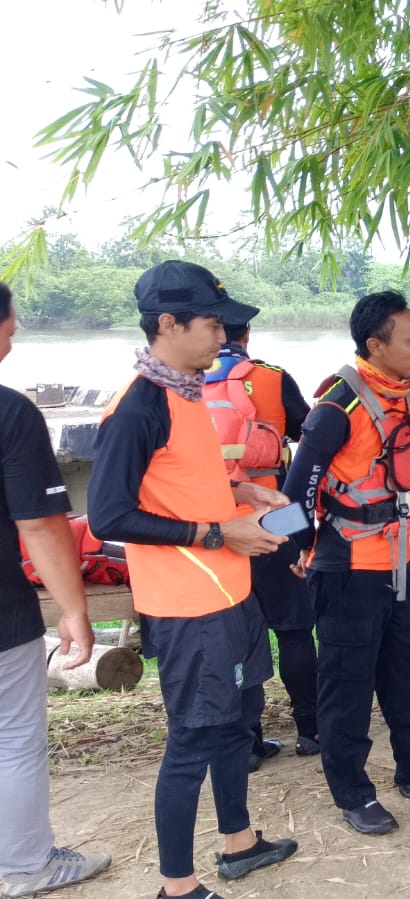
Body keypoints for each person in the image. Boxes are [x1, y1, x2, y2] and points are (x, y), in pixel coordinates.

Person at [88, 261, 297, 899]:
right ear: (169, 323)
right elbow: (109, 516)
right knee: (192, 740)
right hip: (188, 606)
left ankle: (239, 842)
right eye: (212, 323)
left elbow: (181, 482)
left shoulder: (186, 390)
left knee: (239, 719)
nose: (224, 337)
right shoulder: (137, 406)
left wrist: (242, 489)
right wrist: (217, 533)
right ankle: (177, 886)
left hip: (230, 591)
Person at [280, 291, 410, 836]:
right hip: (347, 571)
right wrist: (297, 549)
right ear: (376, 345)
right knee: (346, 690)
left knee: (408, 676)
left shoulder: (406, 397)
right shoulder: (338, 407)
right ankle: (352, 794)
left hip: (397, 567)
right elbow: (295, 491)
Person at [0, 281, 113, 898]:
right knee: (14, 737)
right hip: (2, 618)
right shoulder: (9, 411)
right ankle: (26, 865)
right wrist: (74, 611)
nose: (12, 344)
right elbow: (42, 525)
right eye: (12, 331)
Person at [205, 315, 320, 766]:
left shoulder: (184, 384)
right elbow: (311, 440)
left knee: (237, 634)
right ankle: (310, 731)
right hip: (274, 516)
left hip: (214, 525)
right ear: (246, 335)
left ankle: (248, 742)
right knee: (294, 628)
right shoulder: (271, 378)